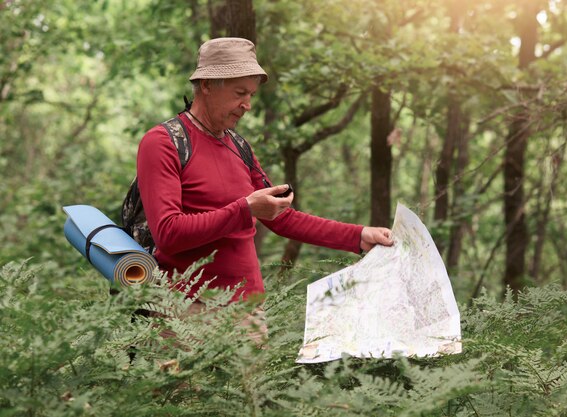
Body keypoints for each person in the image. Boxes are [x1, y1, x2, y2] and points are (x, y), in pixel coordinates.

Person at [136, 37, 393, 308]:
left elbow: (283, 219)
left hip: (248, 311)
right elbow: (168, 233)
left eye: (251, 95)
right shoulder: (163, 142)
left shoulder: (239, 146)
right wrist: (245, 209)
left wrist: (359, 235)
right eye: (239, 93)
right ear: (207, 85)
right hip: (186, 311)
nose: (247, 104)